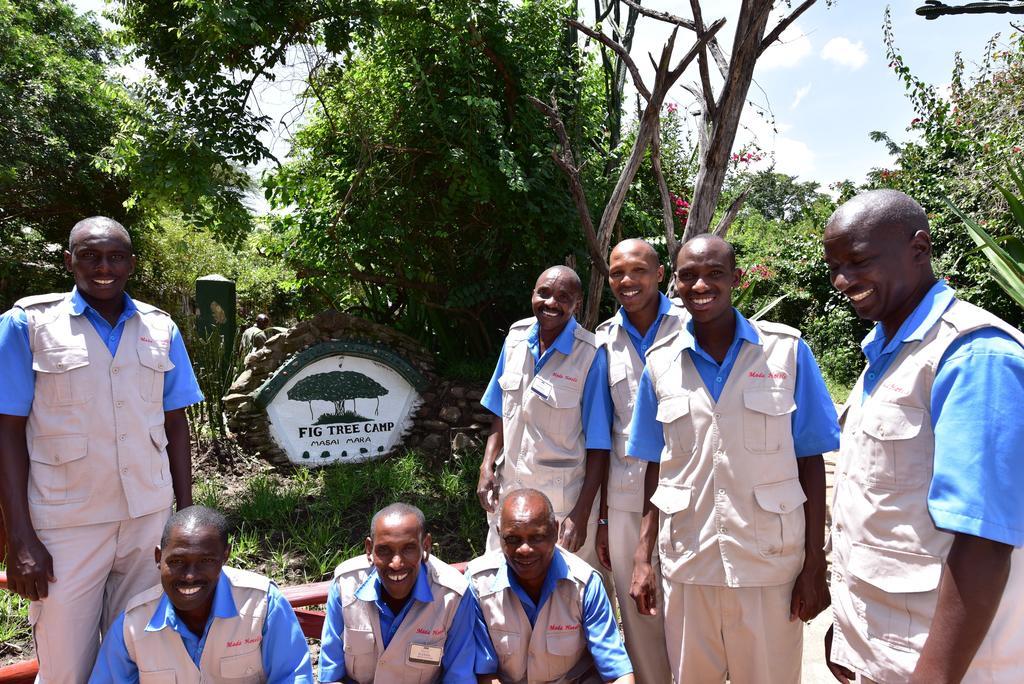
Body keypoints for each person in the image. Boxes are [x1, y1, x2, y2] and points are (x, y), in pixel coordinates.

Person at [822, 190, 1024, 684]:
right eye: (834, 266)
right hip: (884, 650)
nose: (842, 281)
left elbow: (984, 543)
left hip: (944, 666)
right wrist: (848, 629)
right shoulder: (887, 354)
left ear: (919, 248)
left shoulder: (975, 357)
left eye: (858, 261)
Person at [0, 216, 203, 683]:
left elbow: (176, 424)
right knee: (65, 665)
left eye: (115, 256)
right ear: (69, 261)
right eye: (89, 255)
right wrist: (19, 538)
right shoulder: (28, 324)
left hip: (146, 522)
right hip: (64, 526)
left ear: (131, 263)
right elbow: (6, 432)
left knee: (138, 656)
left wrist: (186, 518)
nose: (103, 266)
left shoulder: (160, 327)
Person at [628, 235, 839, 684]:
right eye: (688, 276)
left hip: (769, 563)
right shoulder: (660, 363)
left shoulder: (786, 352)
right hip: (689, 559)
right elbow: (652, 464)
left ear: (736, 279)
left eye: (714, 274)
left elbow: (811, 462)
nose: (700, 284)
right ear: (676, 286)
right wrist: (643, 557)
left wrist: (814, 563)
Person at [477, 266, 613, 570]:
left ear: (577, 304)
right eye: (544, 293)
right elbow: (501, 409)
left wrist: (581, 514)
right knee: (501, 590)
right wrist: (487, 465)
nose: (551, 302)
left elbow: (600, 445)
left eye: (563, 297)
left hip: (562, 506)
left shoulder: (590, 355)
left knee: (568, 595)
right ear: (533, 295)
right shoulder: (515, 339)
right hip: (509, 495)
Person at [89, 505, 313, 682]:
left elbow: (293, 677)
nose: (189, 576)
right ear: (159, 558)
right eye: (177, 561)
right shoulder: (133, 625)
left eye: (206, 561)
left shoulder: (262, 604)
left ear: (225, 557)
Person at [593, 239, 679, 683]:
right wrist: (605, 518)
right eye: (617, 274)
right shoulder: (604, 341)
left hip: (691, 491)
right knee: (639, 609)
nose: (628, 281)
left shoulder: (691, 325)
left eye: (639, 270)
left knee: (688, 606)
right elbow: (604, 434)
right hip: (627, 496)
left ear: (660, 273)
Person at [468, 488, 634, 684]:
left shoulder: (585, 584)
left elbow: (617, 673)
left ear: (555, 531)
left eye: (536, 537)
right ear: (499, 535)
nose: (524, 549)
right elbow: (485, 674)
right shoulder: (479, 584)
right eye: (513, 539)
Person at [319, 503, 480, 683]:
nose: (396, 563)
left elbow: (459, 677)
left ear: (425, 546)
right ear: (369, 549)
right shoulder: (345, 584)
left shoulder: (452, 595)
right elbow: (331, 675)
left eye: (408, 548)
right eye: (384, 550)